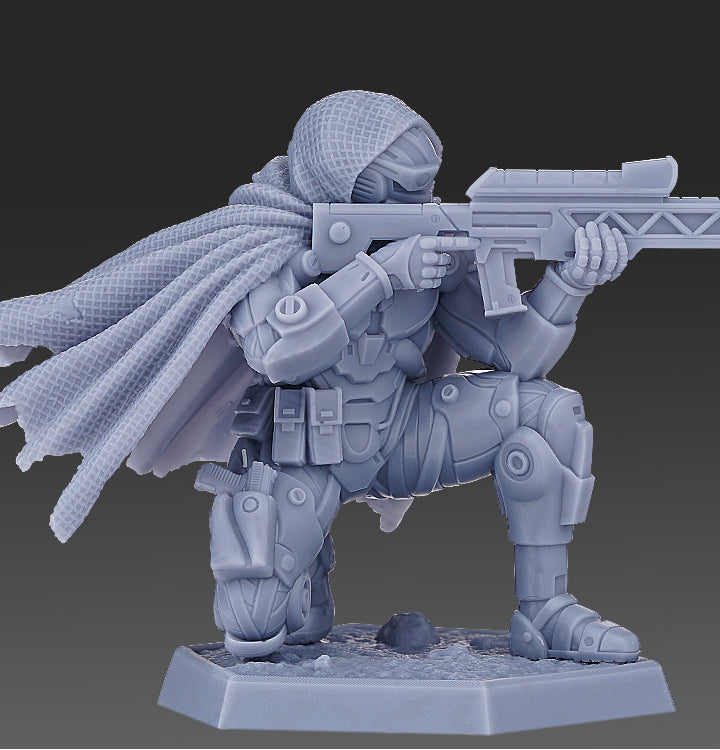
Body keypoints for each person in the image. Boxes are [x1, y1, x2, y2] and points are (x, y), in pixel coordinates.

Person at [0, 90, 638, 664]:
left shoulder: (437, 248)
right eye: (400, 193)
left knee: (547, 416)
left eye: (427, 188)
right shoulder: (269, 243)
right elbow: (277, 353)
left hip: (406, 433)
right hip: (307, 454)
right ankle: (305, 573)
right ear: (344, 186)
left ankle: (545, 612)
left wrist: (569, 283)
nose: (422, 207)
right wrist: (380, 275)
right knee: (255, 627)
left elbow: (516, 358)